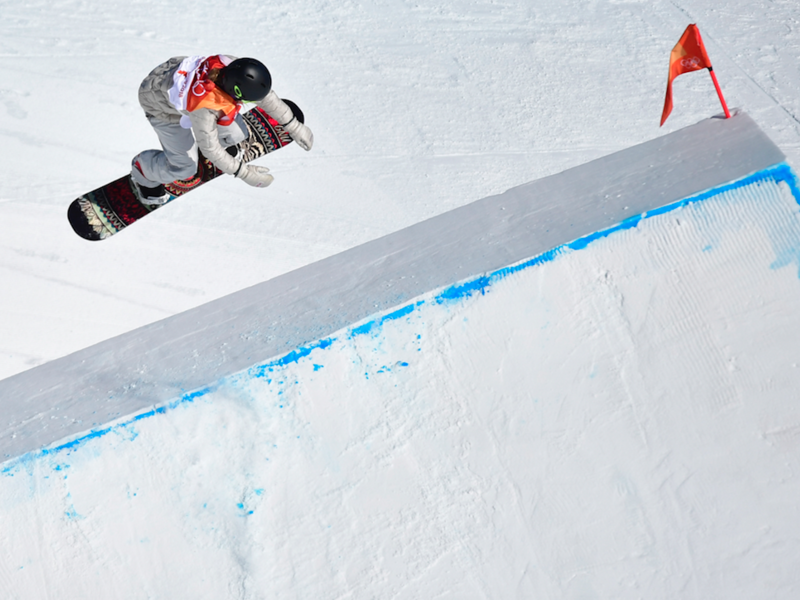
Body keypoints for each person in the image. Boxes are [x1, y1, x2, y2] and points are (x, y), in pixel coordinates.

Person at [132, 55, 313, 204]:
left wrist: (294, 126)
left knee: (237, 133)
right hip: (160, 107)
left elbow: (266, 98)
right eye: (245, 100)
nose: (245, 104)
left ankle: (221, 149)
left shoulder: (231, 67)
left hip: (172, 77)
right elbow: (210, 149)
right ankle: (144, 171)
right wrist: (244, 173)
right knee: (185, 167)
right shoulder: (205, 106)